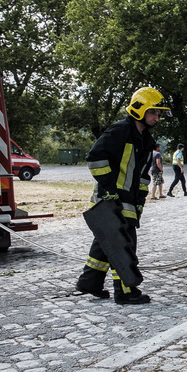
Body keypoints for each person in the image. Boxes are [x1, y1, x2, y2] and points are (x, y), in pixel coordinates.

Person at [74, 86, 168, 304]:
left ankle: (90, 282)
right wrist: (109, 189)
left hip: (129, 201)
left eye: (159, 113)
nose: (157, 117)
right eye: (153, 112)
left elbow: (143, 175)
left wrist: (140, 200)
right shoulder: (119, 131)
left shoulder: (146, 140)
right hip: (110, 199)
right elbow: (95, 158)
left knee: (106, 241)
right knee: (123, 243)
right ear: (139, 109)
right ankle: (125, 292)